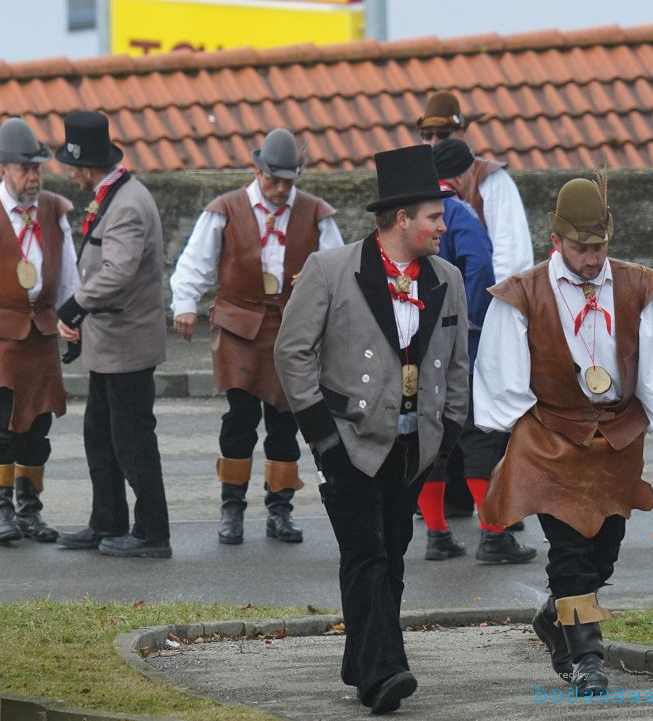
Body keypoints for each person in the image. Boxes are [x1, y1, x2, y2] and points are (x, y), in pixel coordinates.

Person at [275, 144, 469, 714]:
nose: (443, 224)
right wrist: (324, 440)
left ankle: (361, 662)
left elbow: (457, 363)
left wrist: (447, 435)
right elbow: (292, 354)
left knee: (394, 550)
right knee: (367, 555)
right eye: (434, 216)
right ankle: (387, 673)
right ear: (402, 218)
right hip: (349, 442)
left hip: (416, 447)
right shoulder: (330, 269)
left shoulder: (448, 278)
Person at [474, 173, 653, 695]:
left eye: (599, 246)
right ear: (555, 243)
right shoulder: (522, 293)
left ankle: (553, 615)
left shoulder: (636, 286)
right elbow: (502, 373)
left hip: (616, 438)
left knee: (603, 550)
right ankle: (587, 657)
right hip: (552, 437)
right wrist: (524, 428)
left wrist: (649, 415)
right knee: (569, 551)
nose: (591, 258)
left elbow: (652, 360)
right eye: (580, 247)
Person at [170, 128, 343, 545]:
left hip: (291, 329)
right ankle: (232, 508)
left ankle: (279, 509)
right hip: (238, 326)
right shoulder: (224, 209)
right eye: (273, 179)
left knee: (285, 422)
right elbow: (195, 261)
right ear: (257, 170)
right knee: (240, 421)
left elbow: (339, 272)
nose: (281, 188)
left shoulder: (317, 214)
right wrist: (185, 304)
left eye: (289, 180)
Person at [53, 110, 172, 558]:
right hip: (110, 341)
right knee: (99, 435)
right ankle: (107, 520)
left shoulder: (126, 204)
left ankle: (152, 533)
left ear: (85, 167)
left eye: (72, 165)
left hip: (127, 343)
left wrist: (75, 305)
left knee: (132, 439)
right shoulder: (114, 195)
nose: (70, 173)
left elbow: (118, 272)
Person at [0, 118, 80, 544]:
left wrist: (71, 321)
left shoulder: (55, 211)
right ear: (2, 171)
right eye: (24, 169)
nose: (33, 177)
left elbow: (69, 275)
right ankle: (0, 510)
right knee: (1, 426)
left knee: (38, 427)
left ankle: (30, 509)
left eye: (37, 169)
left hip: (41, 333)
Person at [416, 138, 535, 564]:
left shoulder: (412, 216)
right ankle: (493, 533)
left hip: (419, 342)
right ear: (464, 175)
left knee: (431, 434)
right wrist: (471, 314)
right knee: (479, 431)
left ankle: (436, 532)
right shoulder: (459, 211)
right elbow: (481, 262)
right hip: (461, 343)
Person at [416, 90, 533, 284]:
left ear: (461, 133)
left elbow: (511, 257)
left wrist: (492, 306)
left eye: (443, 134)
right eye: (427, 135)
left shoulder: (493, 180)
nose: (434, 142)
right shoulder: (416, 183)